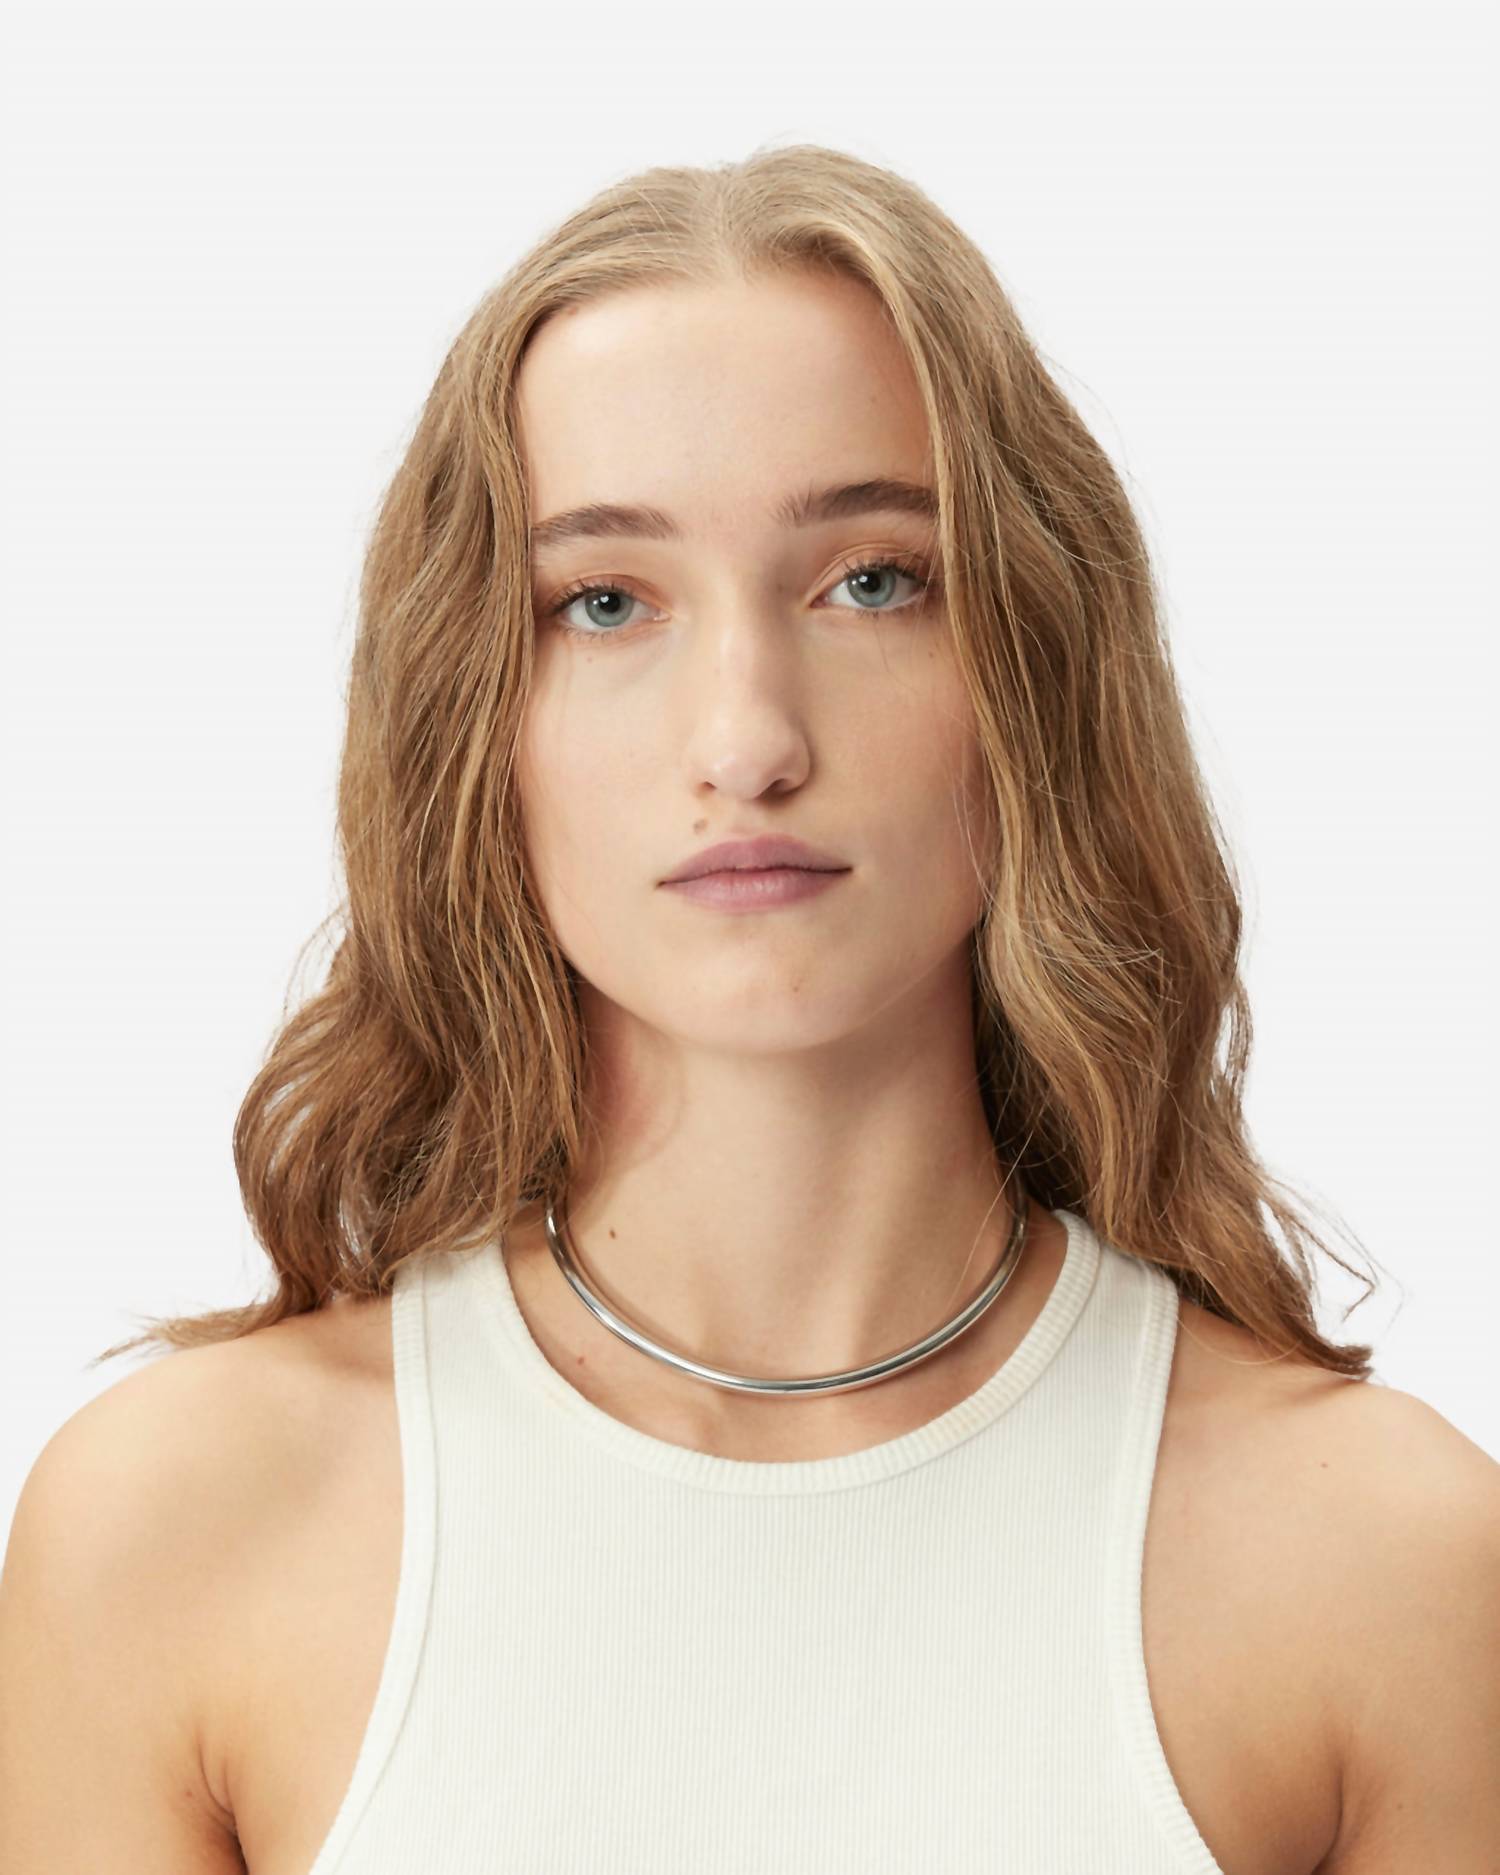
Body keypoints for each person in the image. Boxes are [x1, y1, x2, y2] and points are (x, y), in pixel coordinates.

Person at [1, 143, 1495, 1874]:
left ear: (1036, 671)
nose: (747, 741)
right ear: (473, 723)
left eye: (874, 580)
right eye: (604, 603)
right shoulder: (175, 1536)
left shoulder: (1387, 1568)